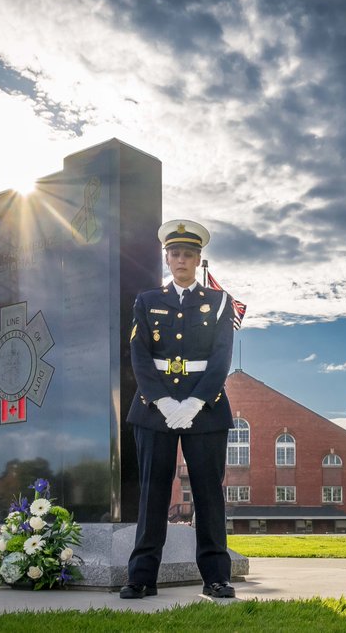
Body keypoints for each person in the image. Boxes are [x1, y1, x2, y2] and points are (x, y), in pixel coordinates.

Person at [121, 219, 236, 599]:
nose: (181, 259)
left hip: (206, 408)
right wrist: (165, 401)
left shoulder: (220, 302)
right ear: (167, 258)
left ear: (199, 258)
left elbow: (221, 359)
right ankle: (141, 577)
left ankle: (216, 577)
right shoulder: (147, 300)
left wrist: (196, 402)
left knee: (208, 495)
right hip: (155, 409)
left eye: (189, 253)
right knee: (153, 493)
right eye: (175, 253)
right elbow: (139, 356)